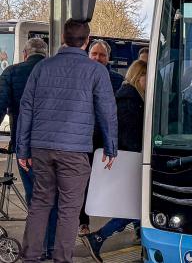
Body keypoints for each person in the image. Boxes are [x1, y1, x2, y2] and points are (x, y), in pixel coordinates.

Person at [17, 19, 118, 263]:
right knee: (69, 209)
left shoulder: (42, 67)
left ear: (63, 38)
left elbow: (26, 108)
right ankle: (62, 259)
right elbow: (107, 111)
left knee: (40, 203)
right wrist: (111, 147)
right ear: (87, 41)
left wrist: (23, 149)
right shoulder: (96, 71)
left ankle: (30, 257)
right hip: (74, 150)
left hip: (41, 148)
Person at [82, 60, 147, 263]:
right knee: (136, 207)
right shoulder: (129, 100)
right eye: (147, 77)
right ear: (139, 76)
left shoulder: (130, 97)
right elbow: (128, 135)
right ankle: (98, 237)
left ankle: (102, 238)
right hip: (128, 160)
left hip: (126, 158)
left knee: (136, 207)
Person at [0, 38, 57, 259]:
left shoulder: (12, 72)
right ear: (46, 53)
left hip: (26, 145)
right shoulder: (56, 71)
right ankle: (51, 246)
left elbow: (1, 105)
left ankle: (38, 248)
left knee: (36, 197)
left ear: (25, 54)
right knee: (54, 196)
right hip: (56, 144)